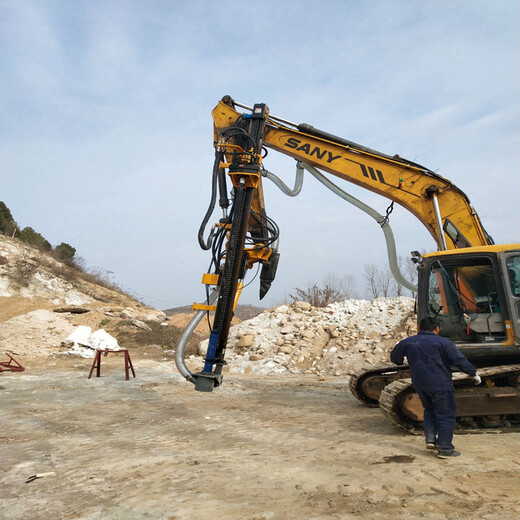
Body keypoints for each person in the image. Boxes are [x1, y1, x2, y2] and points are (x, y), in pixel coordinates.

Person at [390, 316, 481, 458]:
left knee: (429, 409)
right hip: (441, 384)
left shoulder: (408, 342)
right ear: (437, 329)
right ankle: (445, 449)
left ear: (420, 328)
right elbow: (459, 360)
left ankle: (431, 439)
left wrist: (404, 362)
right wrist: (473, 373)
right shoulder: (444, 343)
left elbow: (395, 358)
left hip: (420, 384)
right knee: (445, 415)